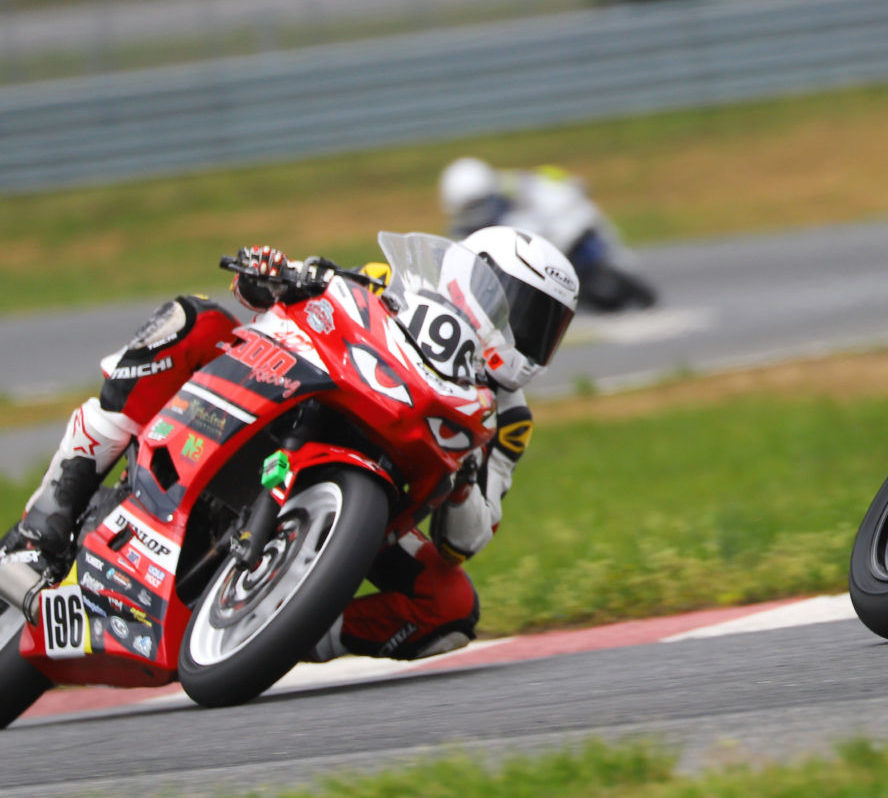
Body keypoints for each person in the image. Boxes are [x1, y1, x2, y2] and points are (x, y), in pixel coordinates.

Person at [0, 227, 580, 662]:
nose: (528, 337)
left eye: (545, 327)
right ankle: (46, 520)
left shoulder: (506, 421)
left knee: (449, 608)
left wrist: (460, 486)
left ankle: (276, 631)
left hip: (366, 499)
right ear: (473, 278)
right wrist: (271, 272)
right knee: (191, 322)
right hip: (297, 401)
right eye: (522, 311)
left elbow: (465, 542)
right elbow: (291, 291)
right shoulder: (394, 283)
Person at [438, 157, 655, 311]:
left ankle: (622, 259)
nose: (476, 210)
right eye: (469, 206)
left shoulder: (512, 184)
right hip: (521, 267)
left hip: (550, 232)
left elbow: (549, 185)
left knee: (594, 226)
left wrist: (567, 190)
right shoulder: (462, 232)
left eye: (479, 202)